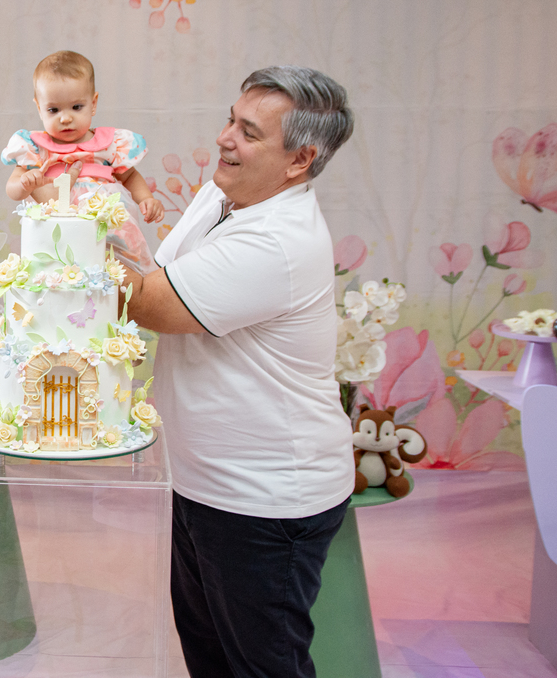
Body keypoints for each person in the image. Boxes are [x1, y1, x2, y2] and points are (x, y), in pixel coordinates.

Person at [120, 66, 356, 678]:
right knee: (209, 657)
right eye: (231, 120)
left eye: (249, 133)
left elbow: (150, 303)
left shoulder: (277, 240)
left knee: (262, 667)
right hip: (204, 482)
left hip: (265, 499)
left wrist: (66, 224)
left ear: (299, 160)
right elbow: (160, 273)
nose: (225, 138)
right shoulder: (224, 194)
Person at [2, 50, 163, 273]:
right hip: (60, 229)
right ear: (39, 108)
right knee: (63, 272)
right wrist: (24, 184)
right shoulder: (37, 148)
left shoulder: (108, 144)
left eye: (76, 107)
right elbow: (12, 188)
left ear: (93, 103)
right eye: (53, 110)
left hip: (108, 228)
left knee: (118, 274)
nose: (65, 118)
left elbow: (130, 176)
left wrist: (146, 198)